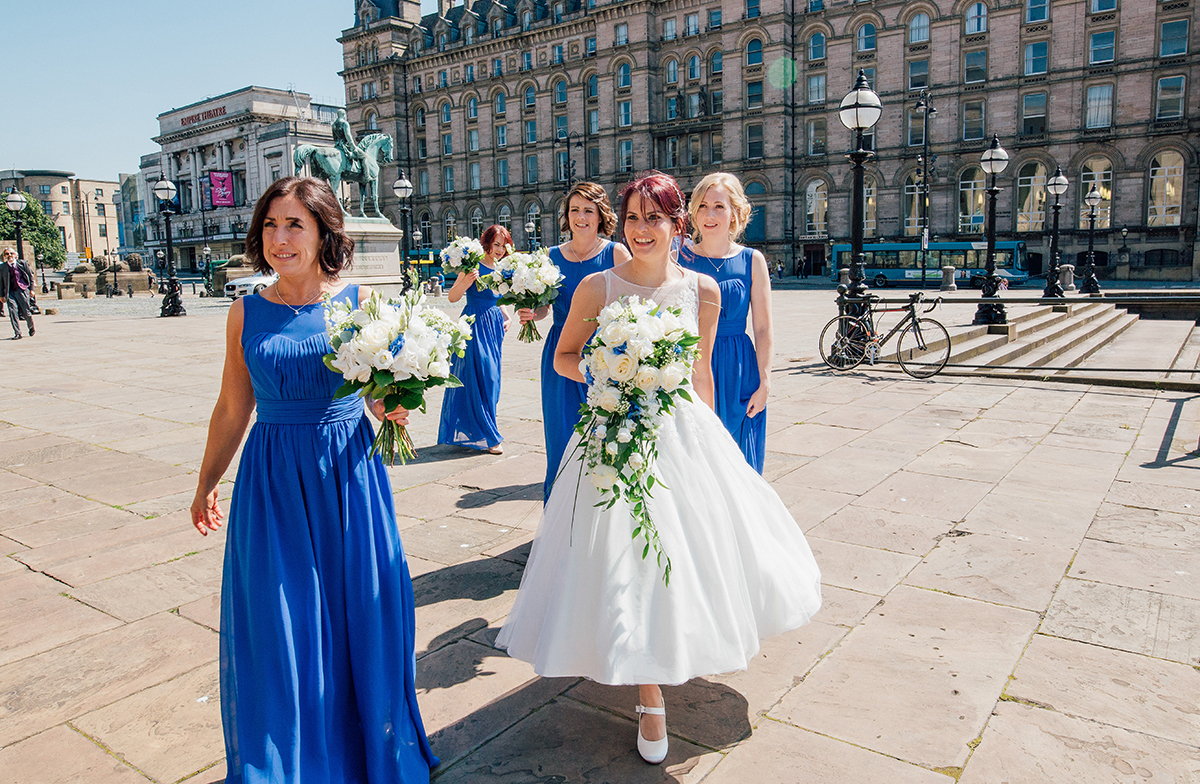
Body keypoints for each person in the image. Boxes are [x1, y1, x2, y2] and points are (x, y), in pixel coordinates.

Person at [496, 171, 821, 765]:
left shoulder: (704, 291)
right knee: (623, 555)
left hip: (681, 430)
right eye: (635, 218)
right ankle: (649, 694)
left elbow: (699, 374)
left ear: (678, 224)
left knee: (687, 551)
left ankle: (675, 645)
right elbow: (565, 356)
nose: (643, 229)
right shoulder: (599, 287)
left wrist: (715, 437)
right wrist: (608, 377)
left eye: (656, 217)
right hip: (614, 430)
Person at [188, 176, 438, 784]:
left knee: (359, 614)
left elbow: (381, 396)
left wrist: (395, 404)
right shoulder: (244, 311)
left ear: (325, 230)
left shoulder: (361, 305)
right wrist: (206, 481)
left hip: (347, 479)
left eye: (294, 224)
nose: (280, 238)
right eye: (270, 225)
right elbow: (232, 407)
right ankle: (286, 763)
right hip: (272, 483)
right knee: (280, 623)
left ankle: (365, 750)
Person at [518, 181, 630, 500]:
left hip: (605, 354)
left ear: (600, 215)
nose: (581, 217)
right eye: (575, 210)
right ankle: (559, 517)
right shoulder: (551, 256)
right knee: (562, 437)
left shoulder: (616, 252)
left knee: (605, 437)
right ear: (567, 216)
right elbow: (544, 307)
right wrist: (531, 312)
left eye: (588, 210)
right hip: (561, 353)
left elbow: (629, 304)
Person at [678, 173, 773, 474]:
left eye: (719, 206)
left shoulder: (751, 260)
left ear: (735, 213)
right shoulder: (679, 259)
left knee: (740, 465)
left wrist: (765, 381)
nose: (710, 214)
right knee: (696, 463)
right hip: (693, 366)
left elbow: (762, 328)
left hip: (739, 370)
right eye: (703, 206)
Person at [437, 225, 512, 454]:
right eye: (496, 244)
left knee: (493, 381)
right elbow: (452, 297)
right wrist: (466, 281)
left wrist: (507, 316)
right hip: (473, 324)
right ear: (486, 243)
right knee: (484, 377)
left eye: (503, 245)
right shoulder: (473, 265)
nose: (499, 249)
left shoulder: (501, 268)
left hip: (493, 326)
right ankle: (491, 437)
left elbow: (498, 299)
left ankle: (481, 429)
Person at [0, 246, 36, 339]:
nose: (9, 255)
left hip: (22, 290)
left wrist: (32, 289)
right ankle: (17, 333)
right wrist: (1, 295)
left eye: (11, 253)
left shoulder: (22, 264)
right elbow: (1, 282)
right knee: (13, 312)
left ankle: (31, 327)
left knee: (26, 312)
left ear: (15, 254)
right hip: (10, 292)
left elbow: (30, 277)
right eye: (7, 254)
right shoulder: (2, 267)